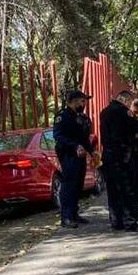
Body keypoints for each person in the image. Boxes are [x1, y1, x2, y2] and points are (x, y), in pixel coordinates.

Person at [53, 90, 96, 228]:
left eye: (84, 101)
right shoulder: (62, 116)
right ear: (72, 101)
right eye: (81, 101)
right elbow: (58, 135)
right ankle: (66, 217)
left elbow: (84, 138)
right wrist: (74, 145)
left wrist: (92, 151)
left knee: (78, 183)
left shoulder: (81, 117)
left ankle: (74, 213)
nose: (84, 104)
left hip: (80, 154)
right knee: (69, 184)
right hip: (68, 154)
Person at [100, 90, 138, 231]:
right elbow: (137, 129)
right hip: (122, 155)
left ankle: (116, 221)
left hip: (108, 154)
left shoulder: (104, 112)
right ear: (125, 100)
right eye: (129, 102)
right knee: (127, 189)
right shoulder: (124, 113)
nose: (129, 105)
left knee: (112, 190)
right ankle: (129, 221)